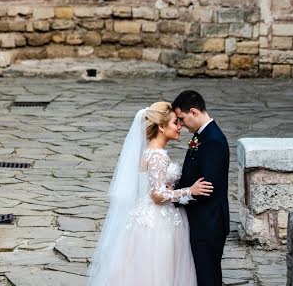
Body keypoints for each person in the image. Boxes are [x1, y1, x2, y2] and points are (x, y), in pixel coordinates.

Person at [88, 102, 213, 285]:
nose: (180, 127)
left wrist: (173, 188)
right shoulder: (157, 156)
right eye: (174, 123)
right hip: (158, 221)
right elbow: (157, 194)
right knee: (158, 270)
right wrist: (190, 191)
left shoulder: (152, 152)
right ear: (161, 127)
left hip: (149, 216)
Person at [173, 90, 230, 286]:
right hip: (202, 220)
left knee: (208, 277)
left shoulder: (212, 140)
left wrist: (174, 196)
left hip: (208, 221)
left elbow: (206, 188)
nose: (181, 125)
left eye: (181, 119)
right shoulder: (203, 135)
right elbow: (193, 176)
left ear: (194, 112)